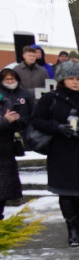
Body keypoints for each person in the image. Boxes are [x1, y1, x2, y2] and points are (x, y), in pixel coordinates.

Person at [30, 61, 79, 246]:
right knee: (67, 193)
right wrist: (57, 127)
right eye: (71, 78)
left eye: (78, 78)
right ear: (62, 80)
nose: (75, 82)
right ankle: (71, 227)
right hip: (61, 153)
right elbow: (36, 120)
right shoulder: (51, 98)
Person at [0, 68, 33, 220]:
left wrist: (15, 122)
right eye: (6, 79)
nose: (10, 81)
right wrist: (5, 121)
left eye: (12, 78)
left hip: (5, 150)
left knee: (4, 189)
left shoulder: (6, 100)